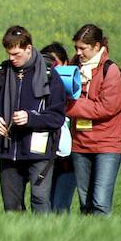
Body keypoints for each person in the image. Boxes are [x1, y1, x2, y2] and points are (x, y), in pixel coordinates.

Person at [0, 25, 66, 213]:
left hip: (39, 152)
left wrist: (30, 118)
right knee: (11, 207)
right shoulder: (0, 73)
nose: (11, 58)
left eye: (16, 54)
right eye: (9, 54)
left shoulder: (50, 76)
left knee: (40, 200)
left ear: (29, 49)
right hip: (8, 151)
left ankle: (43, 240)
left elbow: (57, 118)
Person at [65, 23, 121, 216]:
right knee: (85, 203)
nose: (78, 52)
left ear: (97, 47)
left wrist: (71, 106)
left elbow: (106, 108)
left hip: (107, 145)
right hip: (80, 144)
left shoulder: (110, 70)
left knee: (100, 202)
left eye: (83, 48)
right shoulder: (74, 65)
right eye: (76, 48)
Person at [41, 42, 77, 213]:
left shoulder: (75, 84)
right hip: (44, 153)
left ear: (66, 63)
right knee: (42, 201)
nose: (52, 69)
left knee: (60, 206)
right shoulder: (37, 85)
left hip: (68, 158)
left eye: (55, 64)